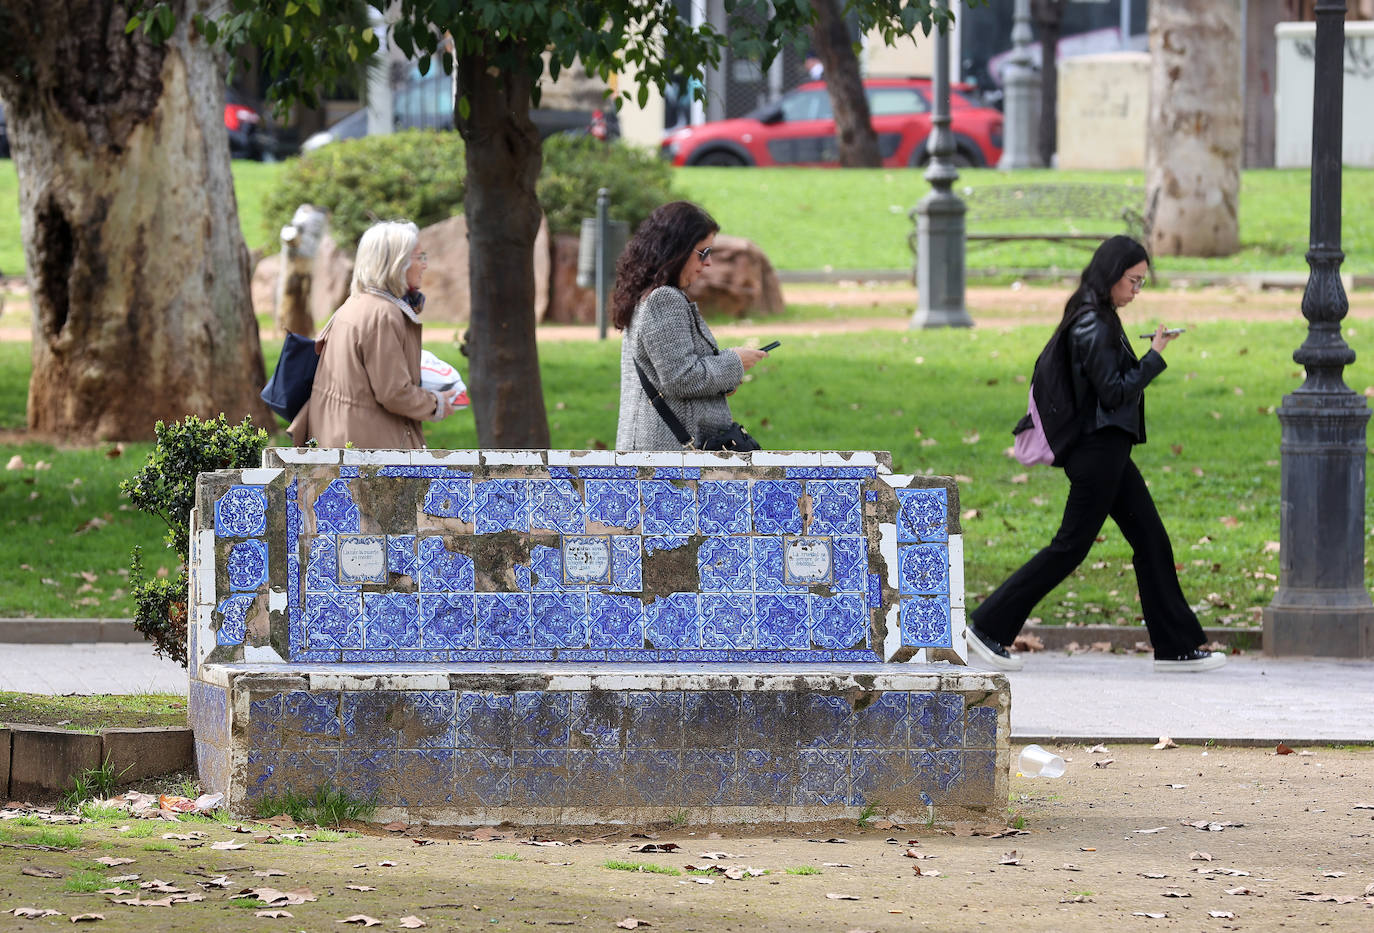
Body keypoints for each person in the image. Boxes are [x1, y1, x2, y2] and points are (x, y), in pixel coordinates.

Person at [967, 235, 1226, 674]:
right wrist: (1155, 357)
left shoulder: (1097, 315)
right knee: (1069, 548)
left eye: (1142, 282)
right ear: (1112, 274)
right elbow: (1115, 391)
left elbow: (1104, 383)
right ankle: (988, 627)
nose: (1137, 291)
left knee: (1151, 540)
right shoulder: (1093, 322)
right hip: (1097, 452)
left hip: (1108, 450)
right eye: (1134, 281)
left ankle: (1176, 647)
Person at [613, 201, 767, 451]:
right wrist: (735, 361)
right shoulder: (664, 299)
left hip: (656, 452)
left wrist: (722, 383)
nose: (708, 263)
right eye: (703, 252)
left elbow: (668, 375)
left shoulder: (645, 296)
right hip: (669, 458)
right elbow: (680, 378)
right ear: (676, 250)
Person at [289, 220, 454, 448]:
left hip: (343, 440)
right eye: (419, 257)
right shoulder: (383, 314)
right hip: (368, 454)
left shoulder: (356, 303)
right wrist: (437, 403)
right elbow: (394, 393)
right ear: (397, 263)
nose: (425, 265)